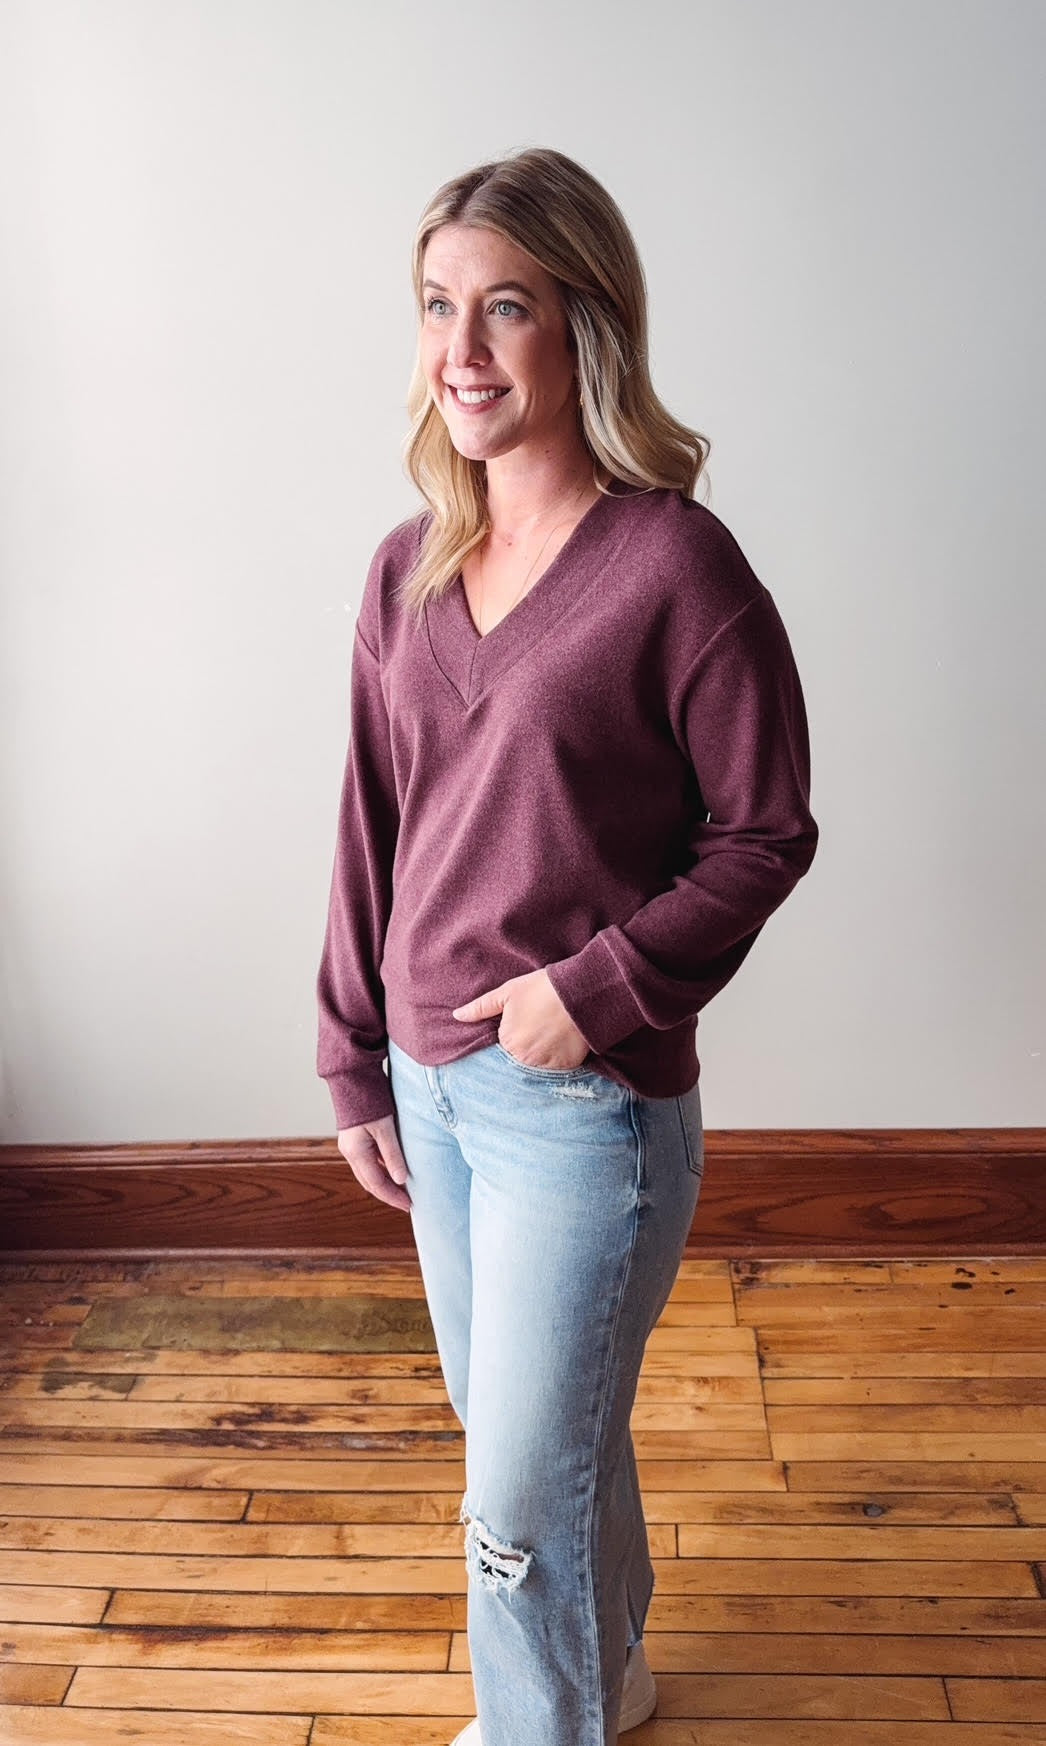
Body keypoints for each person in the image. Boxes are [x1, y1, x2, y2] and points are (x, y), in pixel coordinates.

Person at [316, 146, 819, 1746]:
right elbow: (368, 826)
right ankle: (610, 1677)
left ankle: (539, 1729)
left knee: (518, 1475)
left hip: (576, 1104)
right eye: (436, 309)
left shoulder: (676, 568)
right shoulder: (404, 568)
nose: (459, 351)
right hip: (431, 1080)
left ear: (583, 328)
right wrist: (351, 1053)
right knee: (532, 1436)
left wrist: (586, 994)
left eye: (505, 309)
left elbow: (764, 831)